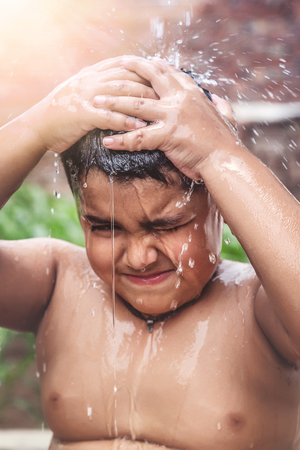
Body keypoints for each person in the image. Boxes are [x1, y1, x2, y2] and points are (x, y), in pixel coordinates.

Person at [0, 55, 300, 450]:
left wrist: (220, 155)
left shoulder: (260, 312)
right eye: (105, 228)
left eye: (168, 226)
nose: (139, 257)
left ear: (222, 207)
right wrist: (36, 126)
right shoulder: (56, 284)